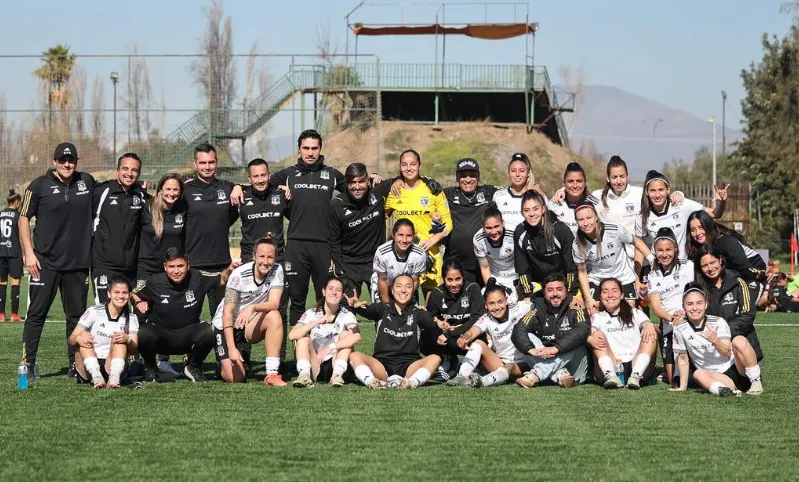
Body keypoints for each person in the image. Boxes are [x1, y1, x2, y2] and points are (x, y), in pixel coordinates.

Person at [20, 142, 96, 374]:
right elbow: (23, 218)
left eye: (71, 160)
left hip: (78, 264)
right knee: (36, 314)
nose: (67, 164)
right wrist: (29, 253)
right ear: (54, 162)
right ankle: (28, 363)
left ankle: (75, 363)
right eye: (62, 160)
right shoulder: (38, 186)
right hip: (44, 263)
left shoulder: (87, 182)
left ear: (76, 161)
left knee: (76, 318)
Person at [269, 130, 346, 326]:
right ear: (299, 149)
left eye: (314, 148)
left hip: (323, 246)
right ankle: (298, 351)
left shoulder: (331, 175)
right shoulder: (287, 174)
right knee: (297, 301)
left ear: (320, 149)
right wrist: (278, 188)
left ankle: (326, 349)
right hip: (296, 246)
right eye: (306, 148)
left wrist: (376, 180)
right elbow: (260, 185)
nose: (310, 153)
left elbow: (356, 189)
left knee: (327, 301)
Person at [132, 247, 236, 382]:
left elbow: (222, 278)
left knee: (209, 331)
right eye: (172, 267)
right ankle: (151, 368)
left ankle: (193, 367)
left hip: (187, 337)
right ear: (165, 267)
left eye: (180, 266)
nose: (176, 271)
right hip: (161, 338)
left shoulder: (198, 277)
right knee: (143, 333)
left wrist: (230, 269)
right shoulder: (154, 281)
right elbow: (133, 293)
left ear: (188, 264)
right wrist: (139, 301)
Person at [345, 274, 442, 389]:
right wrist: (356, 306)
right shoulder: (382, 309)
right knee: (355, 355)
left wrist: (439, 323)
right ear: (392, 289)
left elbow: (434, 327)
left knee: (435, 359)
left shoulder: (418, 313)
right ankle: (372, 382)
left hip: (409, 366)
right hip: (381, 365)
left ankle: (411, 383)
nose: (403, 290)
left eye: (408, 287)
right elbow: (367, 310)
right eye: (399, 286)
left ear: (413, 290)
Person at [212, 236, 286, 385]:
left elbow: (274, 303)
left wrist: (252, 307)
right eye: (262, 256)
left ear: (275, 258)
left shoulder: (277, 270)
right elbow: (227, 312)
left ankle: (271, 374)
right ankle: (221, 367)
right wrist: (232, 348)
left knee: (274, 316)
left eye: (270, 257)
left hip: (247, 323)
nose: (266, 262)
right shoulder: (239, 274)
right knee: (237, 378)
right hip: (225, 325)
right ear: (253, 256)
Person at [670, 283, 764, 396]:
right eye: (689, 304)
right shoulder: (680, 328)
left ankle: (756, 382)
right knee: (698, 374)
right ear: (684, 307)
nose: (695, 308)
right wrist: (682, 386)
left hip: (735, 370)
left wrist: (715, 340)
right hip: (715, 376)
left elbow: (727, 353)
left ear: (706, 305)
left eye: (699, 303)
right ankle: (722, 391)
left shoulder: (718, 322)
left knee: (739, 340)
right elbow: (683, 359)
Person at [136, 172, 187, 377]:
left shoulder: (183, 209)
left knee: (166, 314)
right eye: (168, 189)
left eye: (176, 189)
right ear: (160, 190)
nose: (172, 193)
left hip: (168, 271)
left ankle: (163, 361)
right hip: (145, 269)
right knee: (141, 312)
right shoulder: (146, 208)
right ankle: (139, 361)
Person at [385, 149, 452, 296]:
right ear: (400, 167)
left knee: (433, 305)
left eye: (413, 164)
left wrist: (432, 240)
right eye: (404, 164)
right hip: (404, 256)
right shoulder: (395, 191)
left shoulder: (432, 189)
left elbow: (448, 224)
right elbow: (379, 215)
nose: (408, 168)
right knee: (405, 304)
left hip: (430, 255)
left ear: (419, 165)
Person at [183, 143, 242, 310]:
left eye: (211, 162)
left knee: (224, 318)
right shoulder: (185, 190)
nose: (207, 167)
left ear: (216, 163)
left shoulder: (227, 187)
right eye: (203, 163)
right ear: (195, 164)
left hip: (223, 266)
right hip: (194, 266)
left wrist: (239, 187)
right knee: (188, 317)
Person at [572, 201, 653, 314]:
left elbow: (637, 242)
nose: (586, 223)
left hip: (623, 277)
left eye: (589, 217)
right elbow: (582, 272)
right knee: (593, 313)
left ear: (596, 217)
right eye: (581, 220)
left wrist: (652, 260)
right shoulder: (577, 244)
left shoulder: (614, 230)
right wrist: (588, 299)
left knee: (628, 313)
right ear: (576, 222)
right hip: (597, 279)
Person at [512, 274, 591, 388]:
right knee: (528, 336)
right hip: (554, 372)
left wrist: (557, 348)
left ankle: (537, 374)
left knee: (577, 340)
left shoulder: (576, 308)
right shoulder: (537, 310)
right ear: (544, 293)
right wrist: (530, 349)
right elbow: (519, 329)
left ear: (566, 291)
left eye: (559, 289)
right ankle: (561, 374)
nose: (555, 294)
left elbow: (582, 330)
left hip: (575, 371)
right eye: (550, 290)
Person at [449, 278, 531, 388]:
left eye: (500, 301)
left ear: (506, 300)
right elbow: (472, 332)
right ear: (486, 305)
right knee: (478, 343)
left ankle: (483, 381)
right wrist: (464, 338)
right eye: (491, 303)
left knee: (510, 366)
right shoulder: (486, 318)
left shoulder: (520, 309)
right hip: (498, 363)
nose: (497, 307)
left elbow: (538, 306)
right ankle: (462, 376)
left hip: (522, 365)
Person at [329, 163, 393, 298]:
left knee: (383, 307)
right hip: (349, 265)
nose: (357, 187)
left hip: (375, 262)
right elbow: (333, 240)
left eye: (361, 182)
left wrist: (428, 181)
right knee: (346, 309)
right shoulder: (337, 204)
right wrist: (340, 267)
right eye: (352, 183)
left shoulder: (378, 192)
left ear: (367, 181)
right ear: (346, 184)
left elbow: (403, 177)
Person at [91, 153, 147, 305]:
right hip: (104, 264)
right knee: (104, 311)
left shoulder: (141, 195)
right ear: (117, 170)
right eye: (125, 168)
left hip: (131, 266)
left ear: (139, 173)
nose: (129, 173)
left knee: (133, 312)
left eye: (134, 170)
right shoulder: (101, 191)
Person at [636, 170, 727, 261]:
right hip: (658, 270)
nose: (657, 195)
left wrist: (722, 202)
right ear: (646, 192)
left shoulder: (682, 205)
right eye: (652, 190)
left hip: (683, 266)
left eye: (661, 190)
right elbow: (639, 248)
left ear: (668, 190)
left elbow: (715, 214)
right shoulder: (642, 217)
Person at [694, 246, 764, 363]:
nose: (710, 268)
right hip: (713, 346)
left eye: (712, 262)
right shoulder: (698, 289)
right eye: (705, 266)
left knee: (739, 341)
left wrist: (723, 332)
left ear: (720, 260)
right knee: (697, 377)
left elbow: (747, 315)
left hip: (737, 342)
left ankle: (754, 378)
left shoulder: (738, 282)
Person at [68, 276, 139, 389]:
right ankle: (96, 377)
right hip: (89, 361)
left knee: (119, 340)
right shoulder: (94, 311)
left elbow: (134, 348)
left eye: (124, 293)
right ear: (109, 294)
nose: (120, 296)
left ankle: (114, 379)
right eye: (116, 292)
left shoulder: (131, 317)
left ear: (129, 295)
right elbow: (71, 339)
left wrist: (127, 339)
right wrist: (78, 339)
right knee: (83, 335)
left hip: (112, 363)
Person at [289, 277, 360, 388]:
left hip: (336, 361)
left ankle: (337, 376)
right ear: (324, 291)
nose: (334, 292)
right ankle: (304, 375)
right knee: (303, 338)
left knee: (346, 335)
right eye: (331, 288)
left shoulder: (347, 314)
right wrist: (317, 321)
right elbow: (292, 335)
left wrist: (331, 347)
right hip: (316, 363)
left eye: (338, 290)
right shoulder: (312, 313)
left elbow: (357, 337)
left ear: (342, 295)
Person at [587, 278, 657, 389]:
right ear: (600, 297)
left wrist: (648, 324)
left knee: (650, 331)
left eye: (614, 290)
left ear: (622, 295)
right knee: (597, 335)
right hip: (613, 363)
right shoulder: (598, 317)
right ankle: (611, 376)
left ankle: (635, 377)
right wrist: (591, 337)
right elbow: (591, 334)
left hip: (636, 362)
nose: (610, 295)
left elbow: (649, 326)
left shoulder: (635, 312)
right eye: (605, 292)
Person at [687, 210, 767, 306]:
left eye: (701, 227)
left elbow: (746, 268)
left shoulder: (726, 242)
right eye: (693, 230)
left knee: (736, 307)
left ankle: (767, 291)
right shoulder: (696, 249)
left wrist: (762, 275)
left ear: (708, 225)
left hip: (751, 276)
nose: (697, 233)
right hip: (730, 278)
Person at [646, 228, 694, 385]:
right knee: (674, 379)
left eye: (668, 249)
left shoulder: (688, 266)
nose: (664, 254)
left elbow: (698, 293)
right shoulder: (652, 276)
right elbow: (656, 307)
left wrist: (687, 313)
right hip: (669, 323)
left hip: (689, 318)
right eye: (660, 250)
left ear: (676, 249)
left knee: (689, 374)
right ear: (654, 251)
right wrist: (672, 318)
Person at [424, 260, 484, 381]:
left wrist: (450, 333)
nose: (454, 284)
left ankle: (476, 365)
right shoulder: (437, 293)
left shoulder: (473, 288)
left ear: (463, 277)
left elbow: (477, 319)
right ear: (443, 279)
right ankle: (449, 361)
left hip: (467, 336)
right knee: (425, 338)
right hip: (448, 339)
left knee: (481, 338)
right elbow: (430, 319)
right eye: (449, 280)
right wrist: (439, 324)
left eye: (458, 279)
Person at [513, 190, 577, 300]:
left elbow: (571, 268)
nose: (531, 214)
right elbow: (523, 270)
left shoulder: (560, 230)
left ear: (543, 209)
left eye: (536, 209)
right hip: (537, 285)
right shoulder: (520, 232)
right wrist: (528, 296)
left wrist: (571, 294)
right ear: (522, 213)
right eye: (526, 210)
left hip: (561, 285)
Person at [443, 158, 497, 285]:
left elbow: (514, 190)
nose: (468, 179)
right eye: (463, 176)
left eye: (472, 175)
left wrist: (535, 187)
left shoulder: (489, 192)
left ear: (479, 177)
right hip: (455, 264)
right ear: (457, 177)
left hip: (483, 263)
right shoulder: (448, 194)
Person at [238, 158, 289, 264]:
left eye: (263, 175)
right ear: (249, 179)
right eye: (255, 176)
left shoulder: (281, 194)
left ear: (269, 175)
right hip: (250, 259)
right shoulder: (241, 196)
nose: (260, 180)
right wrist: (236, 187)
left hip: (277, 259)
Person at [372, 219, 427, 303]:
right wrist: (387, 306)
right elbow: (382, 280)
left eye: (409, 235)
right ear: (393, 235)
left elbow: (415, 280)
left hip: (407, 290)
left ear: (414, 236)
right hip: (387, 287)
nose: (404, 240)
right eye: (400, 235)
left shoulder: (419, 254)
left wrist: (405, 302)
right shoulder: (382, 252)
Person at [473, 204, 518, 302]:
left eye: (497, 226)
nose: (493, 232)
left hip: (515, 277)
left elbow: (523, 261)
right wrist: (490, 287)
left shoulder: (515, 233)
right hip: (496, 278)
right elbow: (484, 267)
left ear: (503, 223)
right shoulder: (478, 239)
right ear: (483, 227)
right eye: (489, 228)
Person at [547, 162, 599, 236]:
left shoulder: (595, 204)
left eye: (579, 181)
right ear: (564, 182)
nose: (575, 185)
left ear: (585, 182)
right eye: (570, 181)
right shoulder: (554, 204)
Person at [492, 152, 539, 232]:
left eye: (522, 171)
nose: (517, 174)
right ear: (508, 173)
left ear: (528, 173)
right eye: (513, 171)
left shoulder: (536, 196)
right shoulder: (498, 196)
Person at [0, 189, 23, 323]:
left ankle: (1, 315)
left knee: (2, 282)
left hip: (1, 252)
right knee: (15, 282)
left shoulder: (0, 214)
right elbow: (21, 236)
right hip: (14, 252)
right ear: (16, 202)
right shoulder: (18, 216)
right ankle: (14, 315)